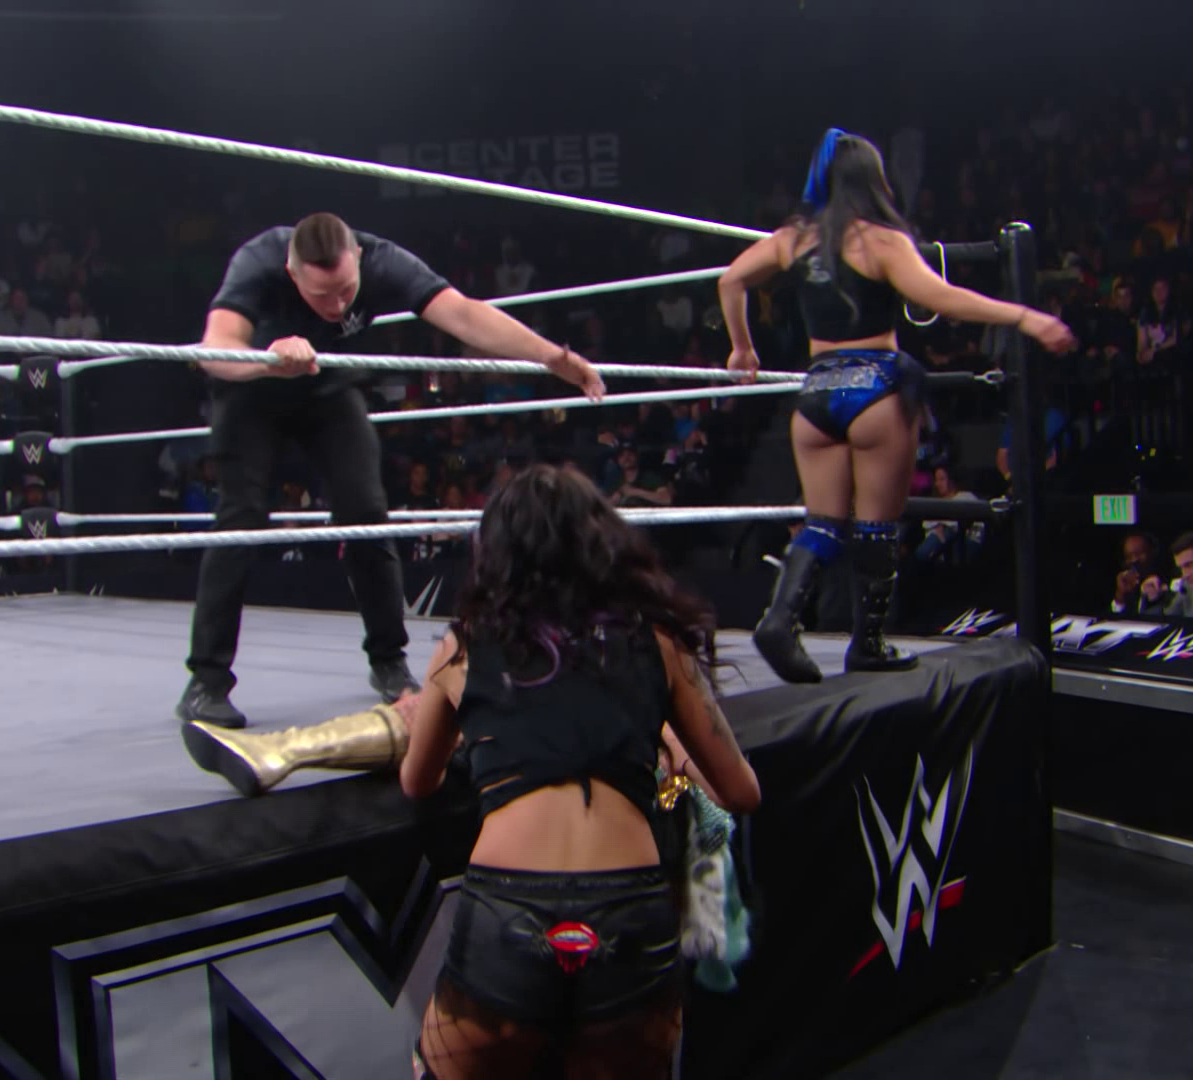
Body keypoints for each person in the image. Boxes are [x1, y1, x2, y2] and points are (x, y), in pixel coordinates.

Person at [397, 464, 761, 1079]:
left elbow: (417, 782)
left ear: (496, 551)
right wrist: (666, 736)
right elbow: (742, 791)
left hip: (508, 905)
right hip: (630, 912)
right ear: (602, 542)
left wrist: (457, 726)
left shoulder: (463, 647)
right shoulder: (659, 641)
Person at [180, 214, 606, 730]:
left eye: (346, 291)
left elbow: (463, 314)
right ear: (291, 273)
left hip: (324, 386)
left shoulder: (383, 259)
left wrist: (552, 357)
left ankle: (389, 662)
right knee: (240, 518)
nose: (338, 306)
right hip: (251, 389)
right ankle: (206, 682)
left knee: (367, 513)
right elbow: (215, 349)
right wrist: (268, 360)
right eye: (322, 296)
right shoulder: (259, 259)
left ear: (358, 259)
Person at [717, 129, 1074, 683]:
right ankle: (868, 642)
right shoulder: (881, 240)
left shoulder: (794, 239)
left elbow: (731, 279)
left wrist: (742, 346)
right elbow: (939, 297)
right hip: (876, 389)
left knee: (823, 523)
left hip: (816, 393)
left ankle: (780, 617)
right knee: (877, 526)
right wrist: (1024, 316)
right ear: (874, 180)